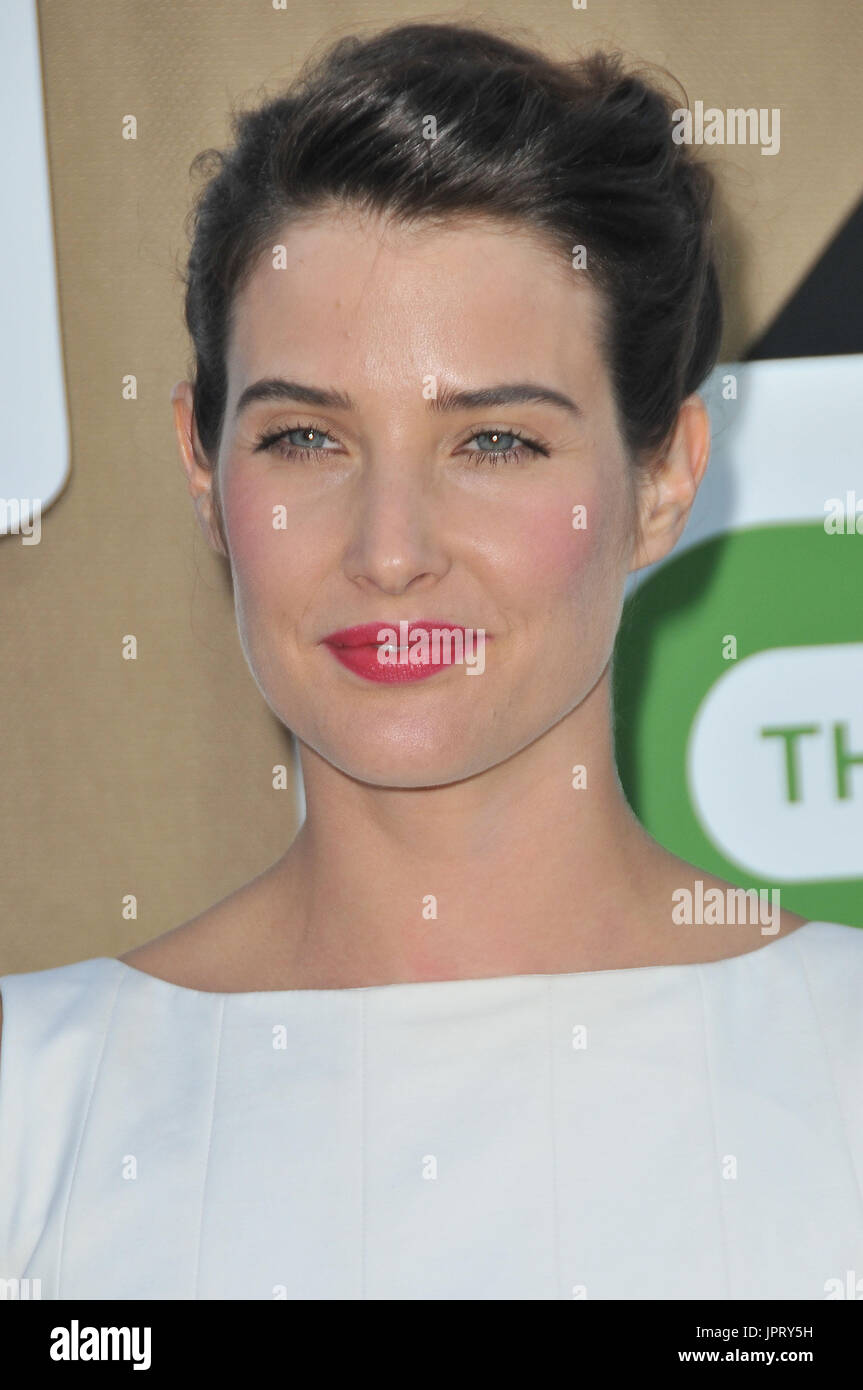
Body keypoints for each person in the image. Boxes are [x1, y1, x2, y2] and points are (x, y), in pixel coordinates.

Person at [1, 20, 861, 1301]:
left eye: (495, 442)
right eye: (303, 437)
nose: (388, 551)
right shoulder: (32, 1110)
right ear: (202, 462)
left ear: (662, 479)